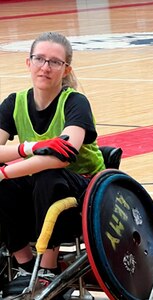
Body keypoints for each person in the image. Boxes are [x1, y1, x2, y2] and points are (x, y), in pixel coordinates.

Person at [0, 32, 105, 295]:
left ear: (66, 68)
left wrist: (5, 171)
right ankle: (24, 263)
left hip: (82, 192)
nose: (45, 67)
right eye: (39, 59)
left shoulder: (75, 102)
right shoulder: (15, 102)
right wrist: (28, 147)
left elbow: (62, 157)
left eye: (55, 62)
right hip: (36, 193)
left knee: (46, 176)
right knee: (8, 185)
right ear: (28, 62)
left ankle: (48, 268)